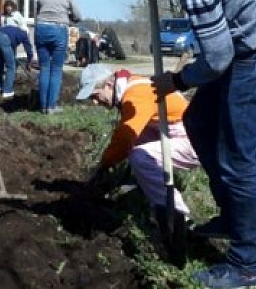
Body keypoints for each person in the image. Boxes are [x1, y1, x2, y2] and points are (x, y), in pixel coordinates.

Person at [110, 0, 256, 289]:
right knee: (199, 123)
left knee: (236, 158)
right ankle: (232, 216)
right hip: (244, 49)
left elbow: (217, 59)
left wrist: (175, 81)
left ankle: (247, 266)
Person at [80, 66, 199, 217]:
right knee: (137, 136)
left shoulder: (135, 96)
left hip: (195, 139)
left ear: (108, 85)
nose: (95, 102)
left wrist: (105, 164)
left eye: (95, 96)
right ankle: (147, 182)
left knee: (139, 156)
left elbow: (124, 138)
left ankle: (176, 213)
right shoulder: (129, 85)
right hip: (176, 129)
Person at [34, 0, 81, 114]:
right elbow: (78, 15)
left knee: (44, 68)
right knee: (56, 69)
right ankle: (51, 106)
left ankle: (42, 106)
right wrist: (71, 18)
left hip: (41, 29)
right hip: (58, 30)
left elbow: (38, 11)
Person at [0, 24, 34, 98]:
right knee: (11, 67)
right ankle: (7, 91)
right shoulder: (24, 33)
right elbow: (28, 49)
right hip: (3, 39)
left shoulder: (14, 30)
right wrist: (29, 61)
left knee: (0, 63)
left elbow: (11, 46)